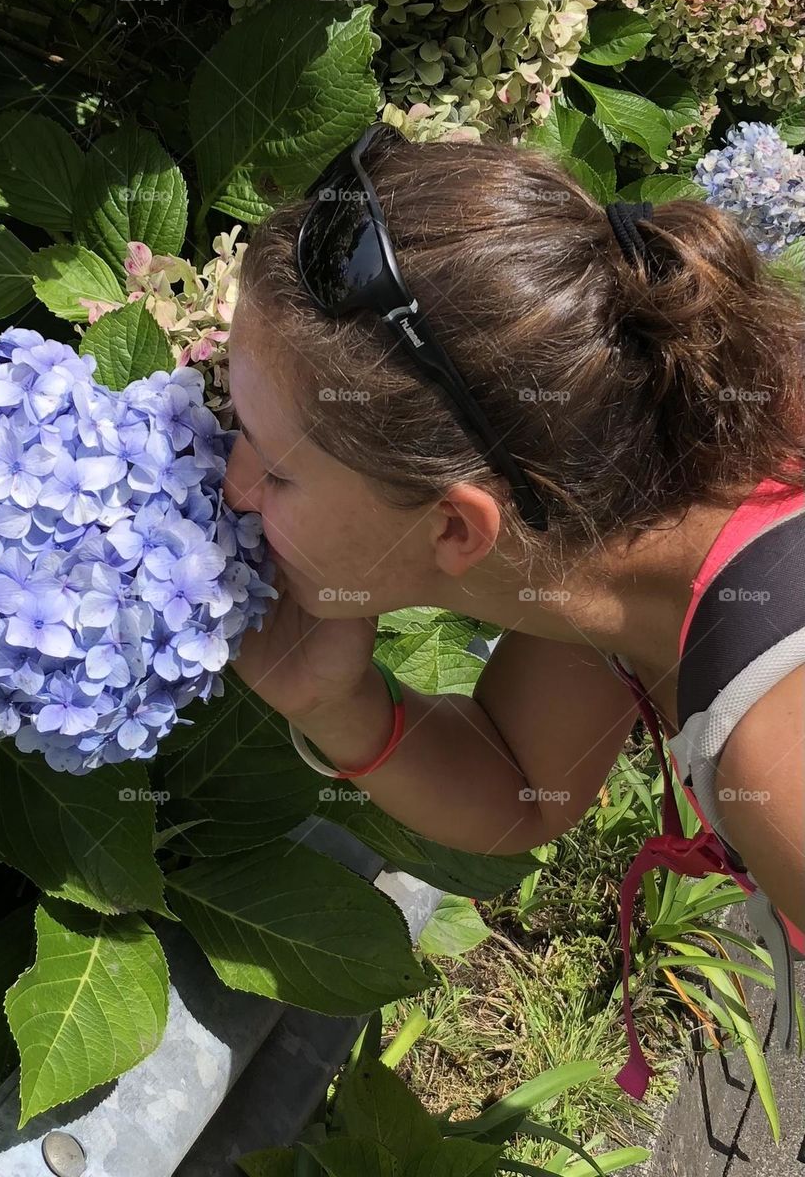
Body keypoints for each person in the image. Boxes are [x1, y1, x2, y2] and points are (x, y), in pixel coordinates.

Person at [220, 121, 805, 1094]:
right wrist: (334, 699)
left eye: (273, 468)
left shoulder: (784, 759)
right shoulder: (640, 485)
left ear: (457, 528)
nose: (232, 485)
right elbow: (525, 777)